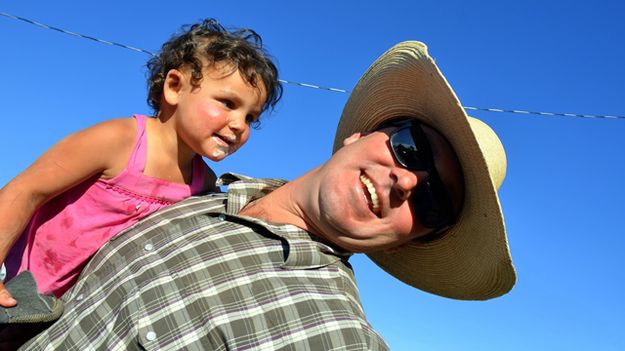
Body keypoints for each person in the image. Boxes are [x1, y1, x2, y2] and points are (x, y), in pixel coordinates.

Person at [20, 41, 515, 350]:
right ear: (359, 136)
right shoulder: (196, 191)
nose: (407, 182)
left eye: (434, 203)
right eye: (411, 148)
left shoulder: (332, 330)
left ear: (412, 241)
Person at [0, 18, 282, 307]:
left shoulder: (204, 186)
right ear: (174, 87)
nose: (239, 125)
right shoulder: (118, 141)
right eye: (228, 103)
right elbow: (26, 191)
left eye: (250, 117)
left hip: (66, 316)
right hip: (14, 283)